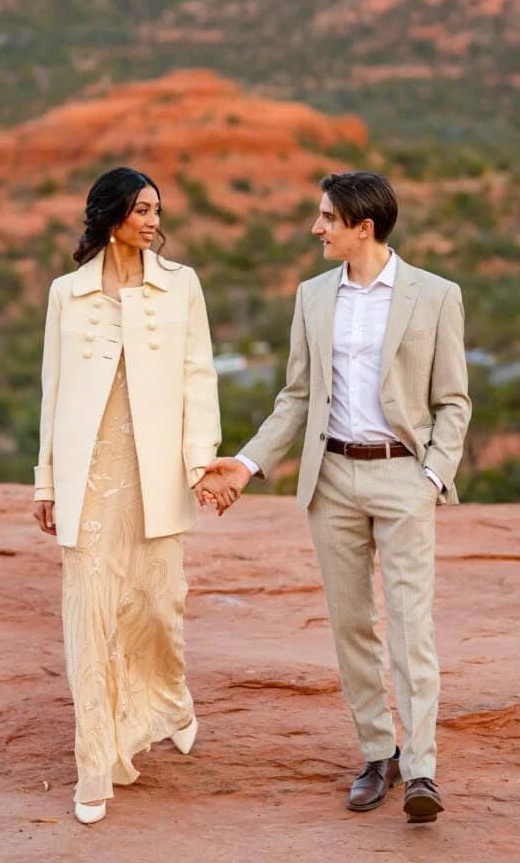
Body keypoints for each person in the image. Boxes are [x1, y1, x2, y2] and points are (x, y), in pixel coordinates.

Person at [198, 171, 471, 824]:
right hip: (331, 482)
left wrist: (431, 476)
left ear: (362, 226)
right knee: (351, 624)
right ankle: (378, 755)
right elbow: (296, 397)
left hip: (402, 477)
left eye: (326, 218)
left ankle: (423, 769)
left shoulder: (434, 295)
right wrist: (246, 462)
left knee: (410, 628)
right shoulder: (313, 297)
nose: (316, 229)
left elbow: (452, 400)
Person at [32, 166, 227, 825]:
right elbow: (52, 391)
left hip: (154, 474)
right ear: (111, 214)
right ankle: (95, 764)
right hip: (89, 478)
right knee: (89, 615)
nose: (153, 220)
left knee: (156, 604)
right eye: (142, 209)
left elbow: (199, 375)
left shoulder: (182, 286)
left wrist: (200, 464)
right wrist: (46, 480)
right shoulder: (68, 293)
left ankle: (167, 700)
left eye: (156, 209)